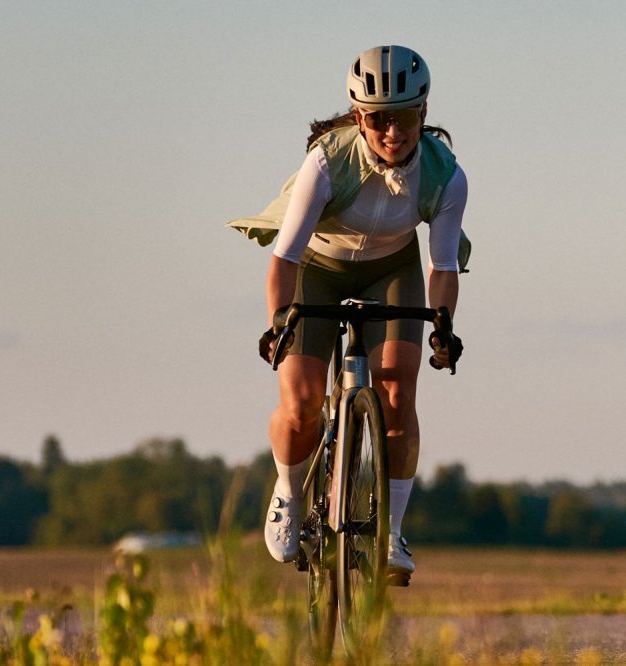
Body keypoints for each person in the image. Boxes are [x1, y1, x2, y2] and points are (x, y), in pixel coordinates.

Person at [228, 45, 468, 583]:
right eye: (378, 118)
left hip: (394, 269)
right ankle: (289, 492)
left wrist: (444, 326)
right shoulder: (326, 160)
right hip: (319, 265)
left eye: (403, 116)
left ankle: (392, 533)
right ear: (359, 117)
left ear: (423, 113)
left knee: (398, 395)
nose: (392, 132)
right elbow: (285, 257)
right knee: (303, 400)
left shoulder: (446, 176)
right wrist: (278, 324)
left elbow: (444, 265)